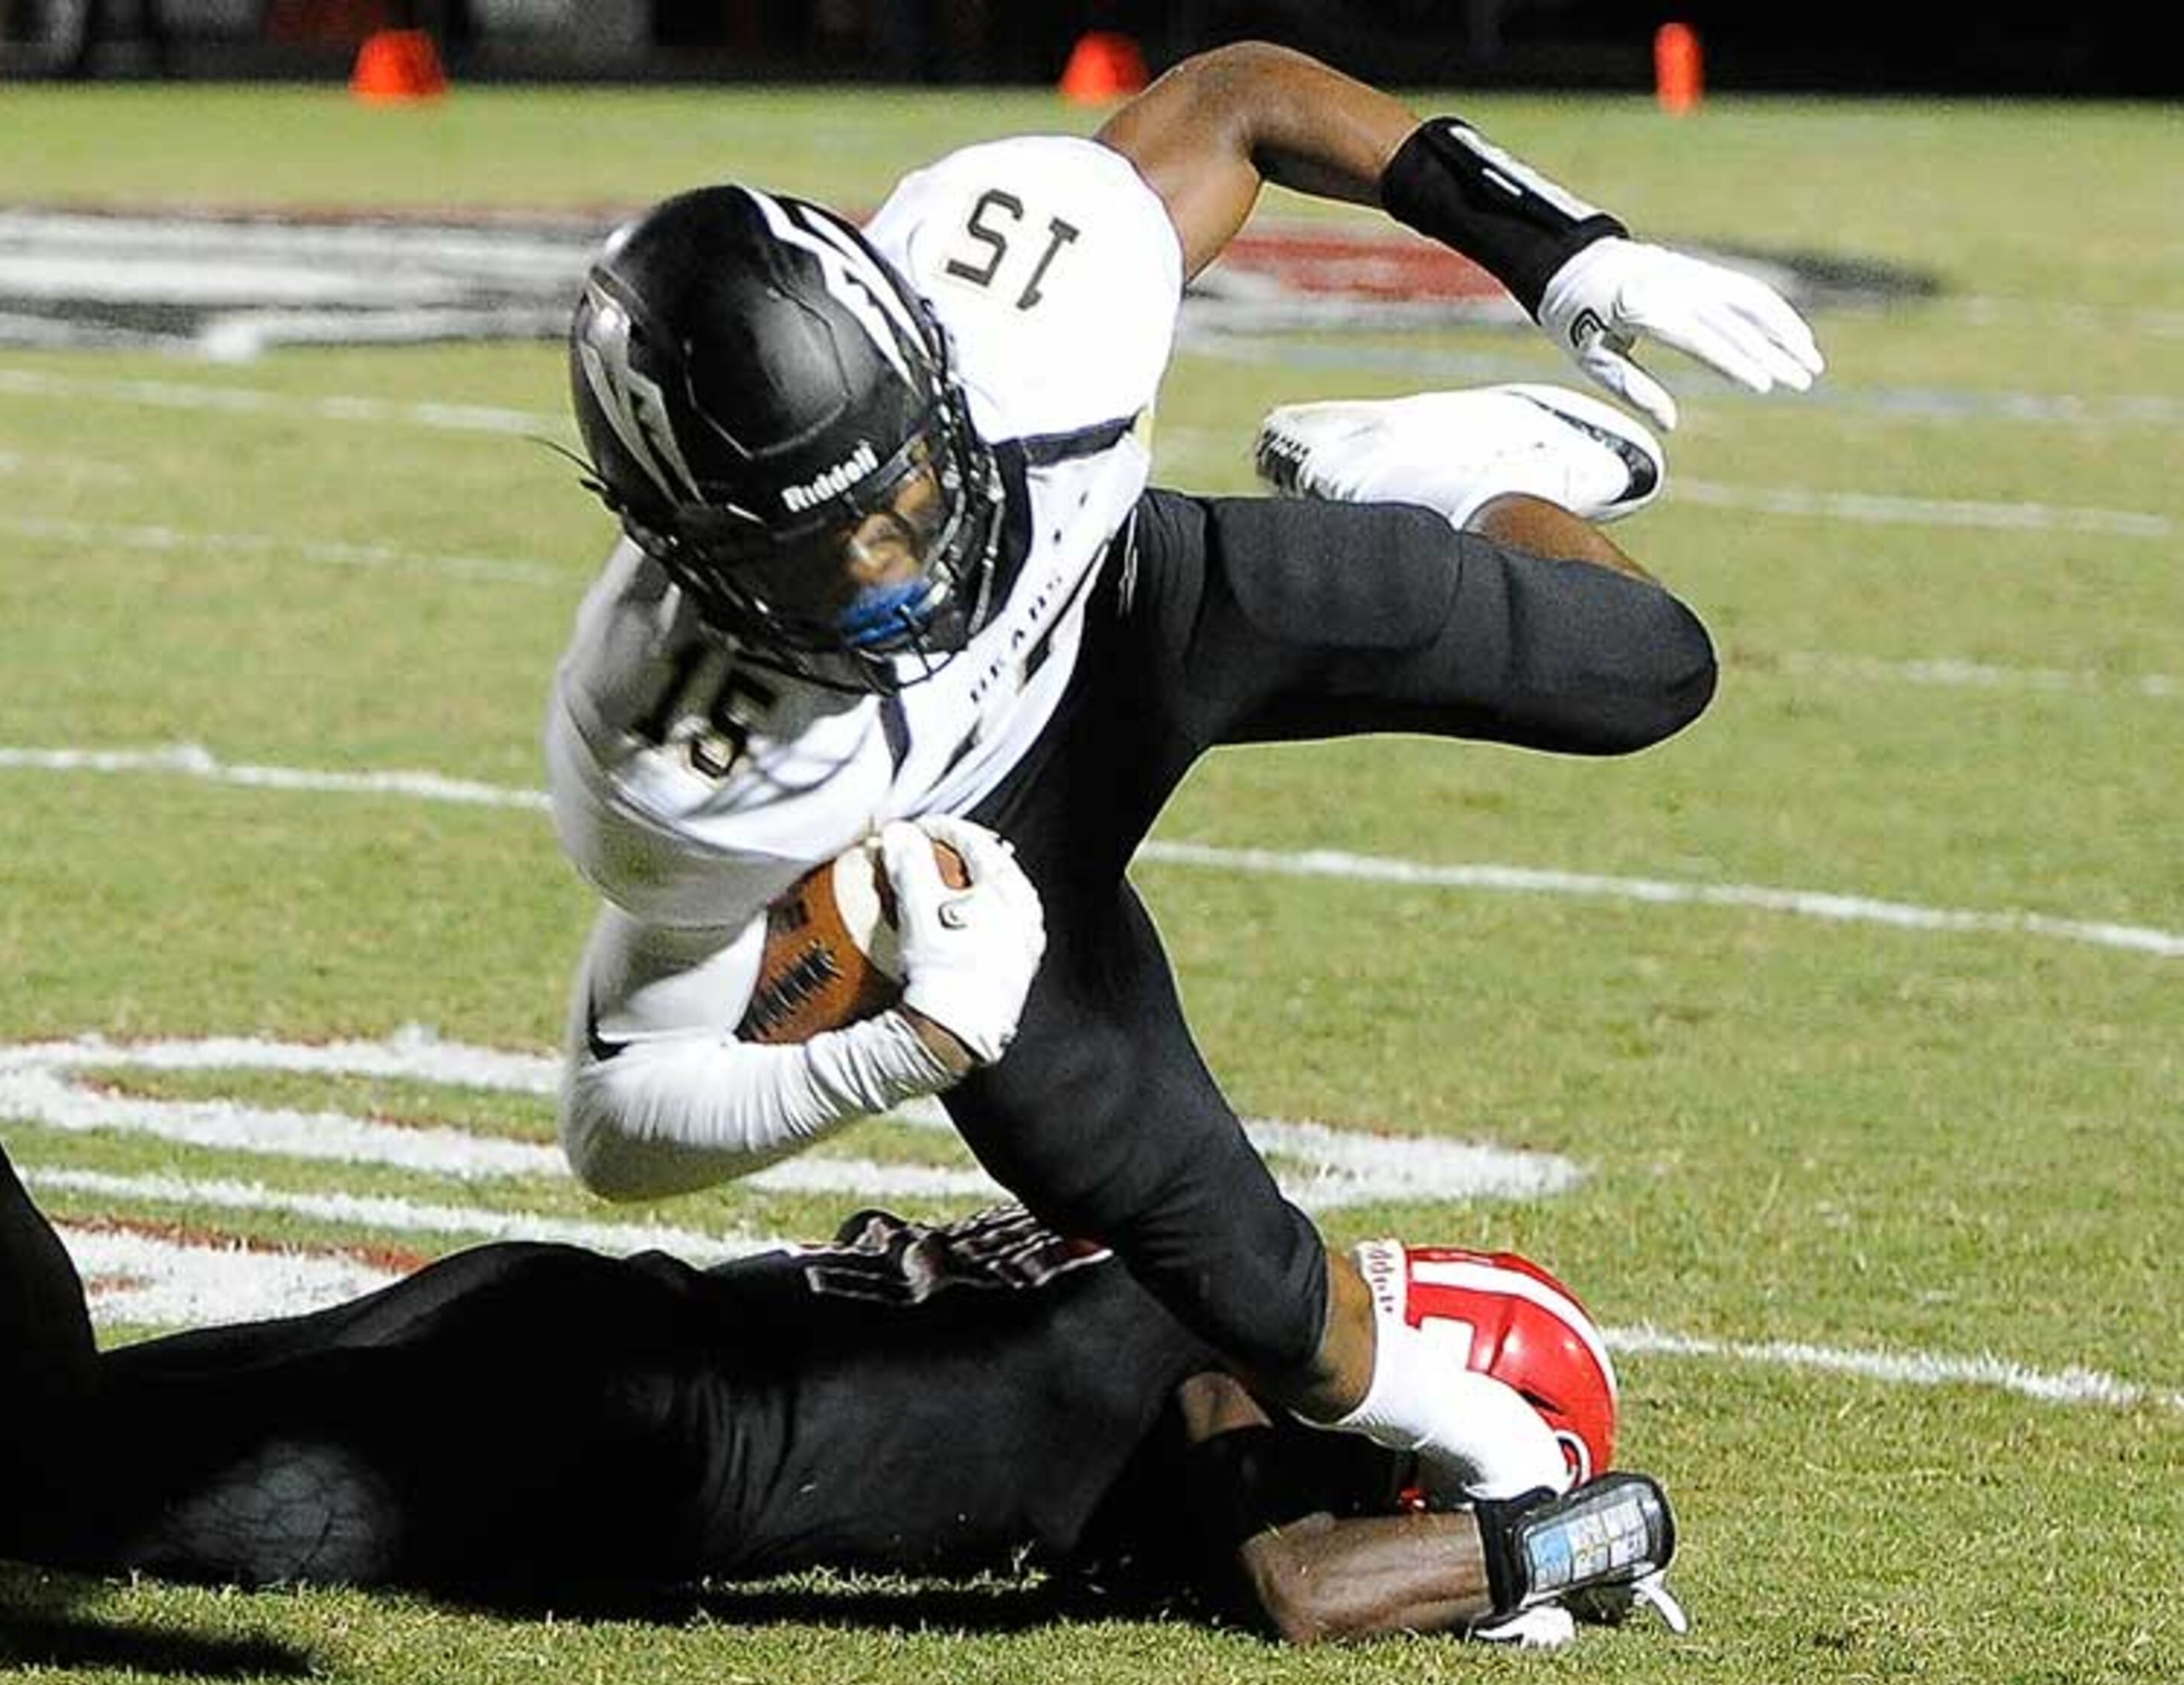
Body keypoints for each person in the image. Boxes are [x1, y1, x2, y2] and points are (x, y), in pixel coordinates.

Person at [0, 770, 1678, 1645]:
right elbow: (1300, 1582)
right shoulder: (1224, 1367)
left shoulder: (1200, 1252)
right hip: (599, 1448)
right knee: (46, 1480)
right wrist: (1573, 1530)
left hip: (576, 1332)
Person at [545, 41, 1824, 1500]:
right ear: (689, 555)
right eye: (825, 554)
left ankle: (1450, 471)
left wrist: (1562, 253)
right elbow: (617, 1123)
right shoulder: (676, 752)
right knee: (1243, 1285)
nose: (900, 563)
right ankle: (1489, 1450)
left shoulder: (1026, 313)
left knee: (1647, 666)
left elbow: (1239, 99)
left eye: (902, 489)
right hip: (976, 843)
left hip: (1131, 604)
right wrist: (899, 1046)